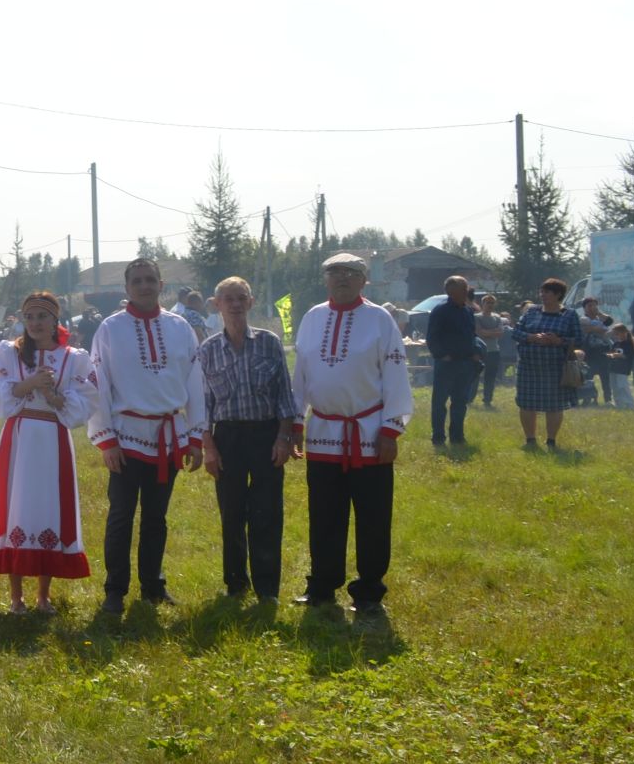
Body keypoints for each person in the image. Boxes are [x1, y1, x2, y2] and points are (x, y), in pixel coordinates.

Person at [289, 253, 413, 616]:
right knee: (324, 514)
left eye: (350, 272)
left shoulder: (379, 320)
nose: (341, 277)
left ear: (364, 280)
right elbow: (301, 377)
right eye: (334, 272)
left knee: (373, 515)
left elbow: (395, 376)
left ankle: (369, 591)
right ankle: (322, 585)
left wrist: (392, 428)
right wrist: (296, 421)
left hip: (370, 434)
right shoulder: (312, 318)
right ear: (325, 279)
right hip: (323, 432)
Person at [87, 258, 206, 615]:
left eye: (150, 280)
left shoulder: (180, 326)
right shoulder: (110, 329)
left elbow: (194, 383)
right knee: (121, 515)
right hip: (125, 436)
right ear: (127, 288)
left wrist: (196, 436)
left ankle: (153, 586)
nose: (144, 286)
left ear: (161, 284)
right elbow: (98, 385)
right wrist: (106, 439)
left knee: (156, 516)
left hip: (168, 435)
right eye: (137, 281)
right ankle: (115, 590)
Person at [0, 291, 97, 614]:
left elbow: (85, 402)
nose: (35, 323)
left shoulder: (74, 358)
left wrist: (54, 394)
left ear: (56, 320)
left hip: (52, 439)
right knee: (15, 507)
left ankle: (43, 595)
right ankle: (16, 597)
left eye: (42, 316)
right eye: (29, 317)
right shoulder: (10, 353)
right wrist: (29, 384)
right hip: (19, 437)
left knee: (48, 509)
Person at [196, 277, 299, 604]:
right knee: (232, 511)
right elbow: (203, 404)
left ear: (251, 302)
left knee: (267, 512)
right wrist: (209, 448)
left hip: (266, 434)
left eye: (241, 298)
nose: (236, 304)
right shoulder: (208, 350)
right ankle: (236, 584)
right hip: (227, 437)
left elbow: (284, 394)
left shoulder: (269, 343)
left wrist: (284, 436)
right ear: (217, 305)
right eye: (228, 299)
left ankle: (267, 589)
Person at [509, 277, 586, 451]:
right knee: (526, 403)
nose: (542, 295)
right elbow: (516, 332)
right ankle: (530, 440)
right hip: (528, 366)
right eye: (541, 291)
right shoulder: (531, 311)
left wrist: (559, 340)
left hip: (555, 367)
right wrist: (531, 337)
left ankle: (551, 441)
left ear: (558, 295)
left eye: (547, 292)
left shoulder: (569, 315)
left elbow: (579, 339)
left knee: (554, 405)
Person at [425, 275, 480, 447]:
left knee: (460, 401)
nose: (467, 291)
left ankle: (457, 436)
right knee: (439, 402)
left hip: (465, 362)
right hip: (446, 363)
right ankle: (438, 437)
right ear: (451, 291)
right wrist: (441, 355)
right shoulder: (440, 311)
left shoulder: (468, 311)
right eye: (463, 289)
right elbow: (432, 337)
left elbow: (472, 335)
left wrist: (475, 352)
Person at [579, 296, 615, 405]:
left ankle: (608, 399)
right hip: (589, 351)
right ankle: (587, 399)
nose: (592, 308)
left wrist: (598, 313)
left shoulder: (600, 318)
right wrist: (600, 330)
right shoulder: (582, 319)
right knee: (588, 376)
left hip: (603, 351)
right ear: (584, 308)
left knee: (605, 376)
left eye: (594, 305)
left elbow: (610, 321)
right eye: (589, 306)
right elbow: (587, 328)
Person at [475, 293, 506, 408]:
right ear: (482, 304)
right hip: (479, 350)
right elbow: (479, 332)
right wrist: (492, 332)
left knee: (491, 376)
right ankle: (470, 398)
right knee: (475, 375)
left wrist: (487, 332)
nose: (490, 305)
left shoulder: (497, 317)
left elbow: (501, 333)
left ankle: (487, 399)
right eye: (488, 302)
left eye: (492, 303)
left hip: (494, 351)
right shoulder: (476, 317)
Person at [608, 322, 634, 410]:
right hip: (613, 368)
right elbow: (612, 352)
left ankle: (630, 404)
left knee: (623, 386)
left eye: (617, 333)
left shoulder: (629, 344)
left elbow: (629, 356)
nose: (616, 336)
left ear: (624, 332)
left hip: (623, 369)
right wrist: (610, 355)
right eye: (615, 334)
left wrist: (620, 355)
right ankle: (619, 404)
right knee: (614, 387)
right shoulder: (616, 343)